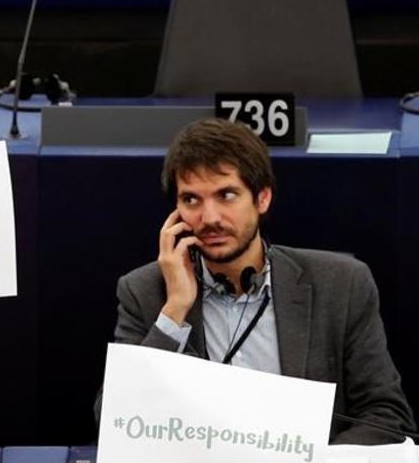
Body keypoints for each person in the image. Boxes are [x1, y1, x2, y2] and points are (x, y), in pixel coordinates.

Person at [105, 118, 414, 444]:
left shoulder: (341, 284)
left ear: (262, 198)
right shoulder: (146, 292)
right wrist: (175, 310)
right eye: (192, 200)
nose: (209, 218)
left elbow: (386, 415)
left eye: (226, 195)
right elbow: (115, 422)